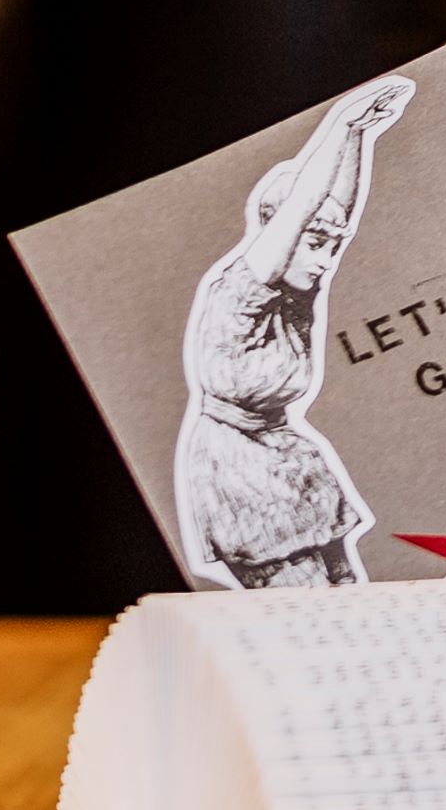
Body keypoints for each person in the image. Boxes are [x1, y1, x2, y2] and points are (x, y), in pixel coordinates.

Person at [173, 75, 414, 588]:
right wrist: (341, 125)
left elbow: (336, 214)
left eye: (332, 247)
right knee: (305, 608)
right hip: (238, 471)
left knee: (347, 591)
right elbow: (300, 210)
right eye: (314, 244)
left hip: (287, 459)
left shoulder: (295, 297)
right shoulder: (238, 292)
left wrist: (358, 138)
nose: (326, 260)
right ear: (278, 238)